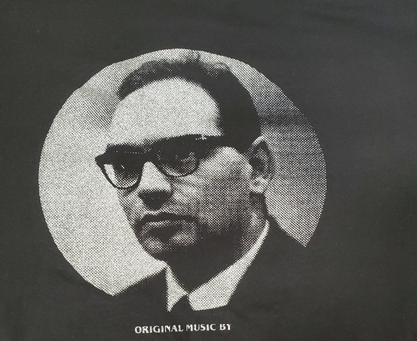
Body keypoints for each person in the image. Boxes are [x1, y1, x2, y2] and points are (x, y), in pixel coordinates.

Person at [95, 52, 303, 313]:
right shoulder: (117, 315)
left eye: (181, 155)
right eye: (125, 165)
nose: (148, 187)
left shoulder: (325, 294)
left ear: (257, 168)